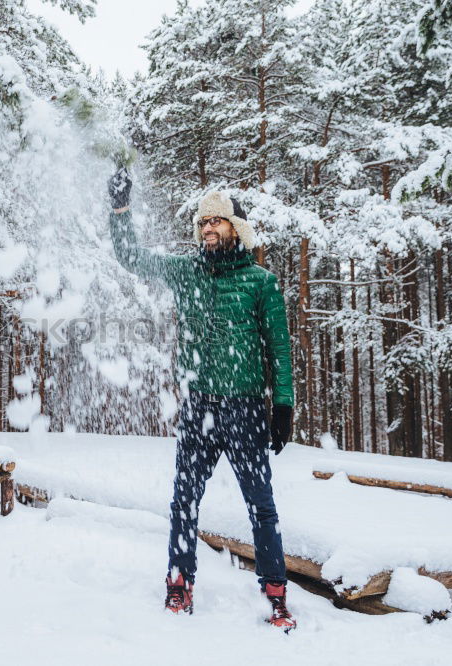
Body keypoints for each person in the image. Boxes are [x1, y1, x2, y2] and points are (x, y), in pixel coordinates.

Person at [106, 168, 296, 632]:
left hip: (246, 408)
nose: (208, 229)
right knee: (183, 498)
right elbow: (129, 255)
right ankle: (179, 583)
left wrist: (284, 406)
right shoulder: (186, 272)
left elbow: (280, 349)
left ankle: (276, 594)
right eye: (203, 223)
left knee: (261, 504)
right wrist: (119, 209)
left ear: (236, 229)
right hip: (198, 408)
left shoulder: (260, 282)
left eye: (218, 222)